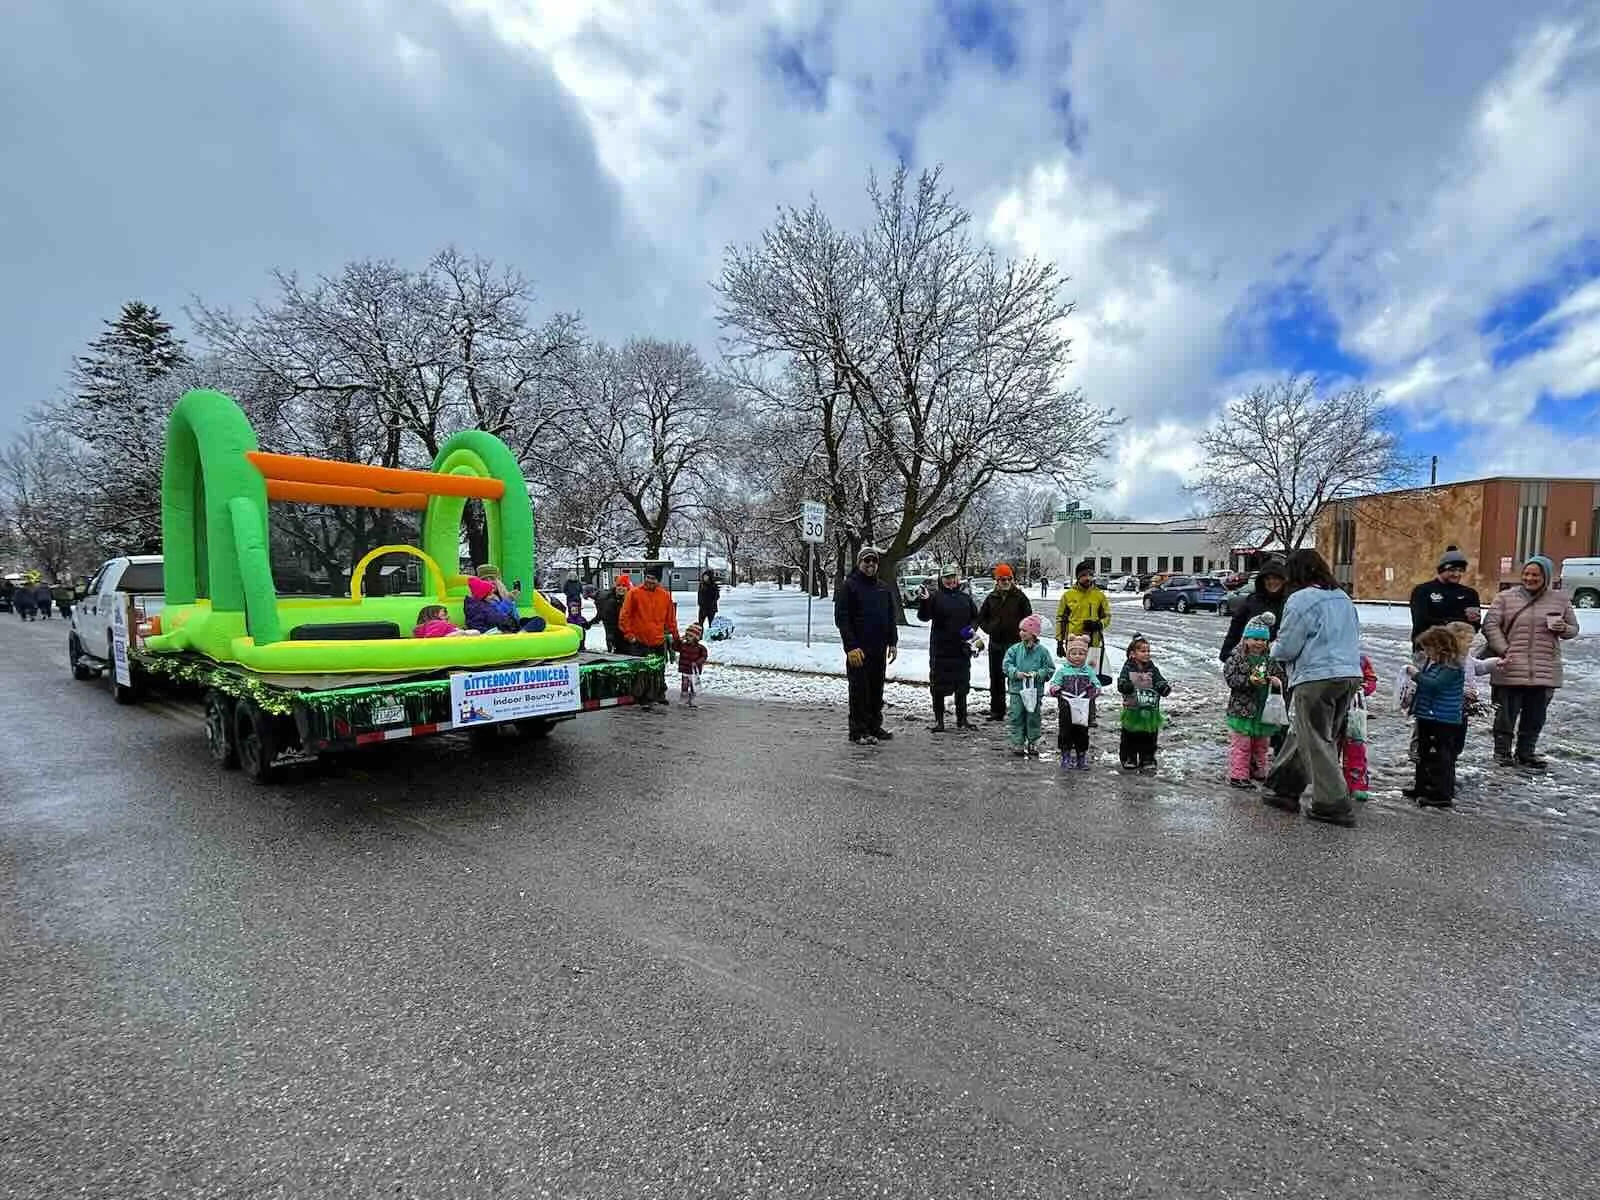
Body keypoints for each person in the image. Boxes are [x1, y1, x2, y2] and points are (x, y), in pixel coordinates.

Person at [1260, 549, 1364, 827]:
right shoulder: (1342, 597)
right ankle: (1284, 786)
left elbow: (1288, 645)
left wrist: (1273, 649)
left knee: (1315, 739)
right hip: (1348, 674)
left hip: (1317, 676)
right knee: (1307, 733)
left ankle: (1332, 802)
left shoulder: (1301, 599)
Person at [1482, 555, 1579, 769]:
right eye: (1526, 574)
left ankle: (1526, 753)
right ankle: (1502, 753)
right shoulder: (1505, 597)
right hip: (1509, 665)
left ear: (1546, 576)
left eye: (1536, 575)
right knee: (1505, 715)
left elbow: (1573, 629)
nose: (1530, 578)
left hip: (1544, 668)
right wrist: (1503, 649)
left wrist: (1564, 628)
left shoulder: (1560, 600)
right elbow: (1490, 625)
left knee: (1535, 716)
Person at [835, 546, 898, 745]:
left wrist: (893, 642)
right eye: (866, 561)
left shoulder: (883, 588)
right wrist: (850, 646)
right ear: (859, 563)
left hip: (878, 649)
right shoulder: (849, 586)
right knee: (859, 691)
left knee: (876, 690)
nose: (870, 565)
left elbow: (890, 616)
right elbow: (842, 619)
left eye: (874, 561)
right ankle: (858, 730)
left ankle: (874, 726)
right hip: (858, 650)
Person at [1403, 627, 1470, 808]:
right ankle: (1422, 786)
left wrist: (1416, 675)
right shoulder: (1434, 665)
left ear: (1440, 647)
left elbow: (1435, 685)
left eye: (1428, 649)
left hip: (1443, 719)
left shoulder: (1452, 668)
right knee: (1424, 753)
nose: (1426, 653)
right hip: (1428, 715)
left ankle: (1441, 793)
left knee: (1440, 757)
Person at [1222, 613, 1287, 789]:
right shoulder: (1236, 658)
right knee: (1242, 744)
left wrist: (1276, 681)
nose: (1259, 643)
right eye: (1255, 639)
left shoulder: (1270, 659)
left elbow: (1281, 675)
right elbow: (1231, 679)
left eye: (1263, 640)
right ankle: (1238, 775)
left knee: (1262, 744)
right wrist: (1249, 681)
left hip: (1263, 710)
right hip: (1242, 710)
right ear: (1246, 639)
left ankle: (1258, 770)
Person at [918, 564, 981, 733]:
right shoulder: (935, 598)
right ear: (942, 579)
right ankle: (939, 721)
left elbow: (975, 618)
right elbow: (923, 617)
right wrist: (924, 601)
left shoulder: (965, 598)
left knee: (962, 686)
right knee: (938, 687)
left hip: (961, 649)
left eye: (953, 577)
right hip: (941, 650)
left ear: (957, 578)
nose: (950, 580)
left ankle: (962, 719)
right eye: (947, 577)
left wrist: (970, 631)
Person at [977, 563, 1032, 723]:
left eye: (1009, 579)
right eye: (1002, 579)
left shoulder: (1020, 597)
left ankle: (1018, 710)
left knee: (1016, 679)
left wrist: (1025, 636)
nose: (1006, 582)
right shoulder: (991, 598)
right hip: (996, 643)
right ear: (997, 581)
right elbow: (981, 618)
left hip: (1015, 644)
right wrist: (990, 628)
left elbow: (1029, 619)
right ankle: (997, 711)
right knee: (996, 678)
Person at [1117, 633, 1171, 773]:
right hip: (1133, 709)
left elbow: (1159, 680)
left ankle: (1147, 758)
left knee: (1149, 735)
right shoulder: (1128, 668)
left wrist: (1163, 687)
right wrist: (1126, 686)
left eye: (1148, 651)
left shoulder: (1152, 668)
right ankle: (1129, 757)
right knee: (1130, 735)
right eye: (1143, 651)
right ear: (1132, 654)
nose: (1147, 654)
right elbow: (1121, 683)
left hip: (1149, 708)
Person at [1002, 614, 1054, 757]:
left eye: (1024, 630)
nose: (1021, 633)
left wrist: (1038, 674)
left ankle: (1033, 741)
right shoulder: (1014, 649)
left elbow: (1049, 668)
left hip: (1034, 691)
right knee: (1016, 715)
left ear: (1033, 633)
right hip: (1017, 690)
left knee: (1033, 716)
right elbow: (1006, 665)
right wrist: (1015, 673)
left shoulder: (1042, 651)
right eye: (1020, 630)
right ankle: (1018, 742)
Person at [1218, 556, 1288, 662]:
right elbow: (1236, 628)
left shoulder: (1289, 602)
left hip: (1279, 660)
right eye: (1268, 579)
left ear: (1283, 580)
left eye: (1276, 578)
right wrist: (1227, 653)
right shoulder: (1252, 601)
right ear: (1262, 581)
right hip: (1250, 660)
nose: (1272, 582)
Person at [1047, 635, 1101, 770]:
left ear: (1086, 655)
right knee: (1065, 732)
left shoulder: (1088, 672)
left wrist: (1094, 690)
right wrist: (1055, 689)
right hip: (1066, 707)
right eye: (1074, 653)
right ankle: (1065, 756)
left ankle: (1081, 756)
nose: (1077, 656)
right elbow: (1054, 684)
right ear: (1068, 654)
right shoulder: (1063, 671)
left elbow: (1096, 684)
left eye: (1081, 654)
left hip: (1082, 708)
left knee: (1082, 732)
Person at [1409, 546, 1482, 645]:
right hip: (1429, 647)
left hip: (1460, 647)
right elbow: (1421, 622)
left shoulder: (1470, 594)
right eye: (1452, 570)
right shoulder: (1423, 591)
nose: (1457, 574)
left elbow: (1474, 625)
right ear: (1441, 570)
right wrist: (1455, 623)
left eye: (1460, 570)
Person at [1055, 560, 1111, 675]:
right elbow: (1061, 619)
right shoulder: (1068, 596)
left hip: (1093, 643)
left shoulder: (1099, 596)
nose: (1088, 578)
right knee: (1072, 675)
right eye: (1084, 575)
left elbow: (1107, 616)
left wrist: (1098, 624)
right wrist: (1060, 642)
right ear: (1078, 577)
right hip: (1073, 642)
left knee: (1091, 675)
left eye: (1090, 575)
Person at [1341, 655, 1381, 802]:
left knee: (1356, 748)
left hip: (1355, 711)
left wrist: (1361, 688)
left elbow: (1371, 681)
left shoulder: (1361, 659)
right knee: (1329, 747)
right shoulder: (1327, 654)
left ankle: (1357, 784)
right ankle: (1333, 783)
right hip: (1331, 708)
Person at [619, 565, 679, 657]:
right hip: (639, 643)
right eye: (648, 577)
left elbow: (671, 620)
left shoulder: (665, 596)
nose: (650, 580)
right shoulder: (634, 593)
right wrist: (629, 635)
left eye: (653, 578)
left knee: (659, 666)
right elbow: (624, 616)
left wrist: (676, 637)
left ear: (658, 580)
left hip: (658, 644)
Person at [593, 576, 630, 652]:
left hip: (629, 636)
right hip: (614, 636)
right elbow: (605, 618)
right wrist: (610, 636)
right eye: (618, 585)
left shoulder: (631, 600)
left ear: (627, 588)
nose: (621, 588)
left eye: (624, 586)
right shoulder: (610, 601)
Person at [677, 622, 708, 707]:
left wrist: (697, 662)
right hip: (685, 669)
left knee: (693, 685)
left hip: (694, 671)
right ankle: (684, 698)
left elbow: (704, 656)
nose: (688, 637)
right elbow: (675, 647)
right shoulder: (683, 645)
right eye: (687, 635)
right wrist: (679, 640)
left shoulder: (700, 648)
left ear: (696, 638)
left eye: (690, 636)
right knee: (684, 684)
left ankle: (692, 699)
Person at [412, 604, 479, 638]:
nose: (448, 616)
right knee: (474, 632)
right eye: (444, 614)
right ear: (434, 615)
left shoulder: (432, 625)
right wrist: (459, 633)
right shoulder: (437, 624)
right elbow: (432, 638)